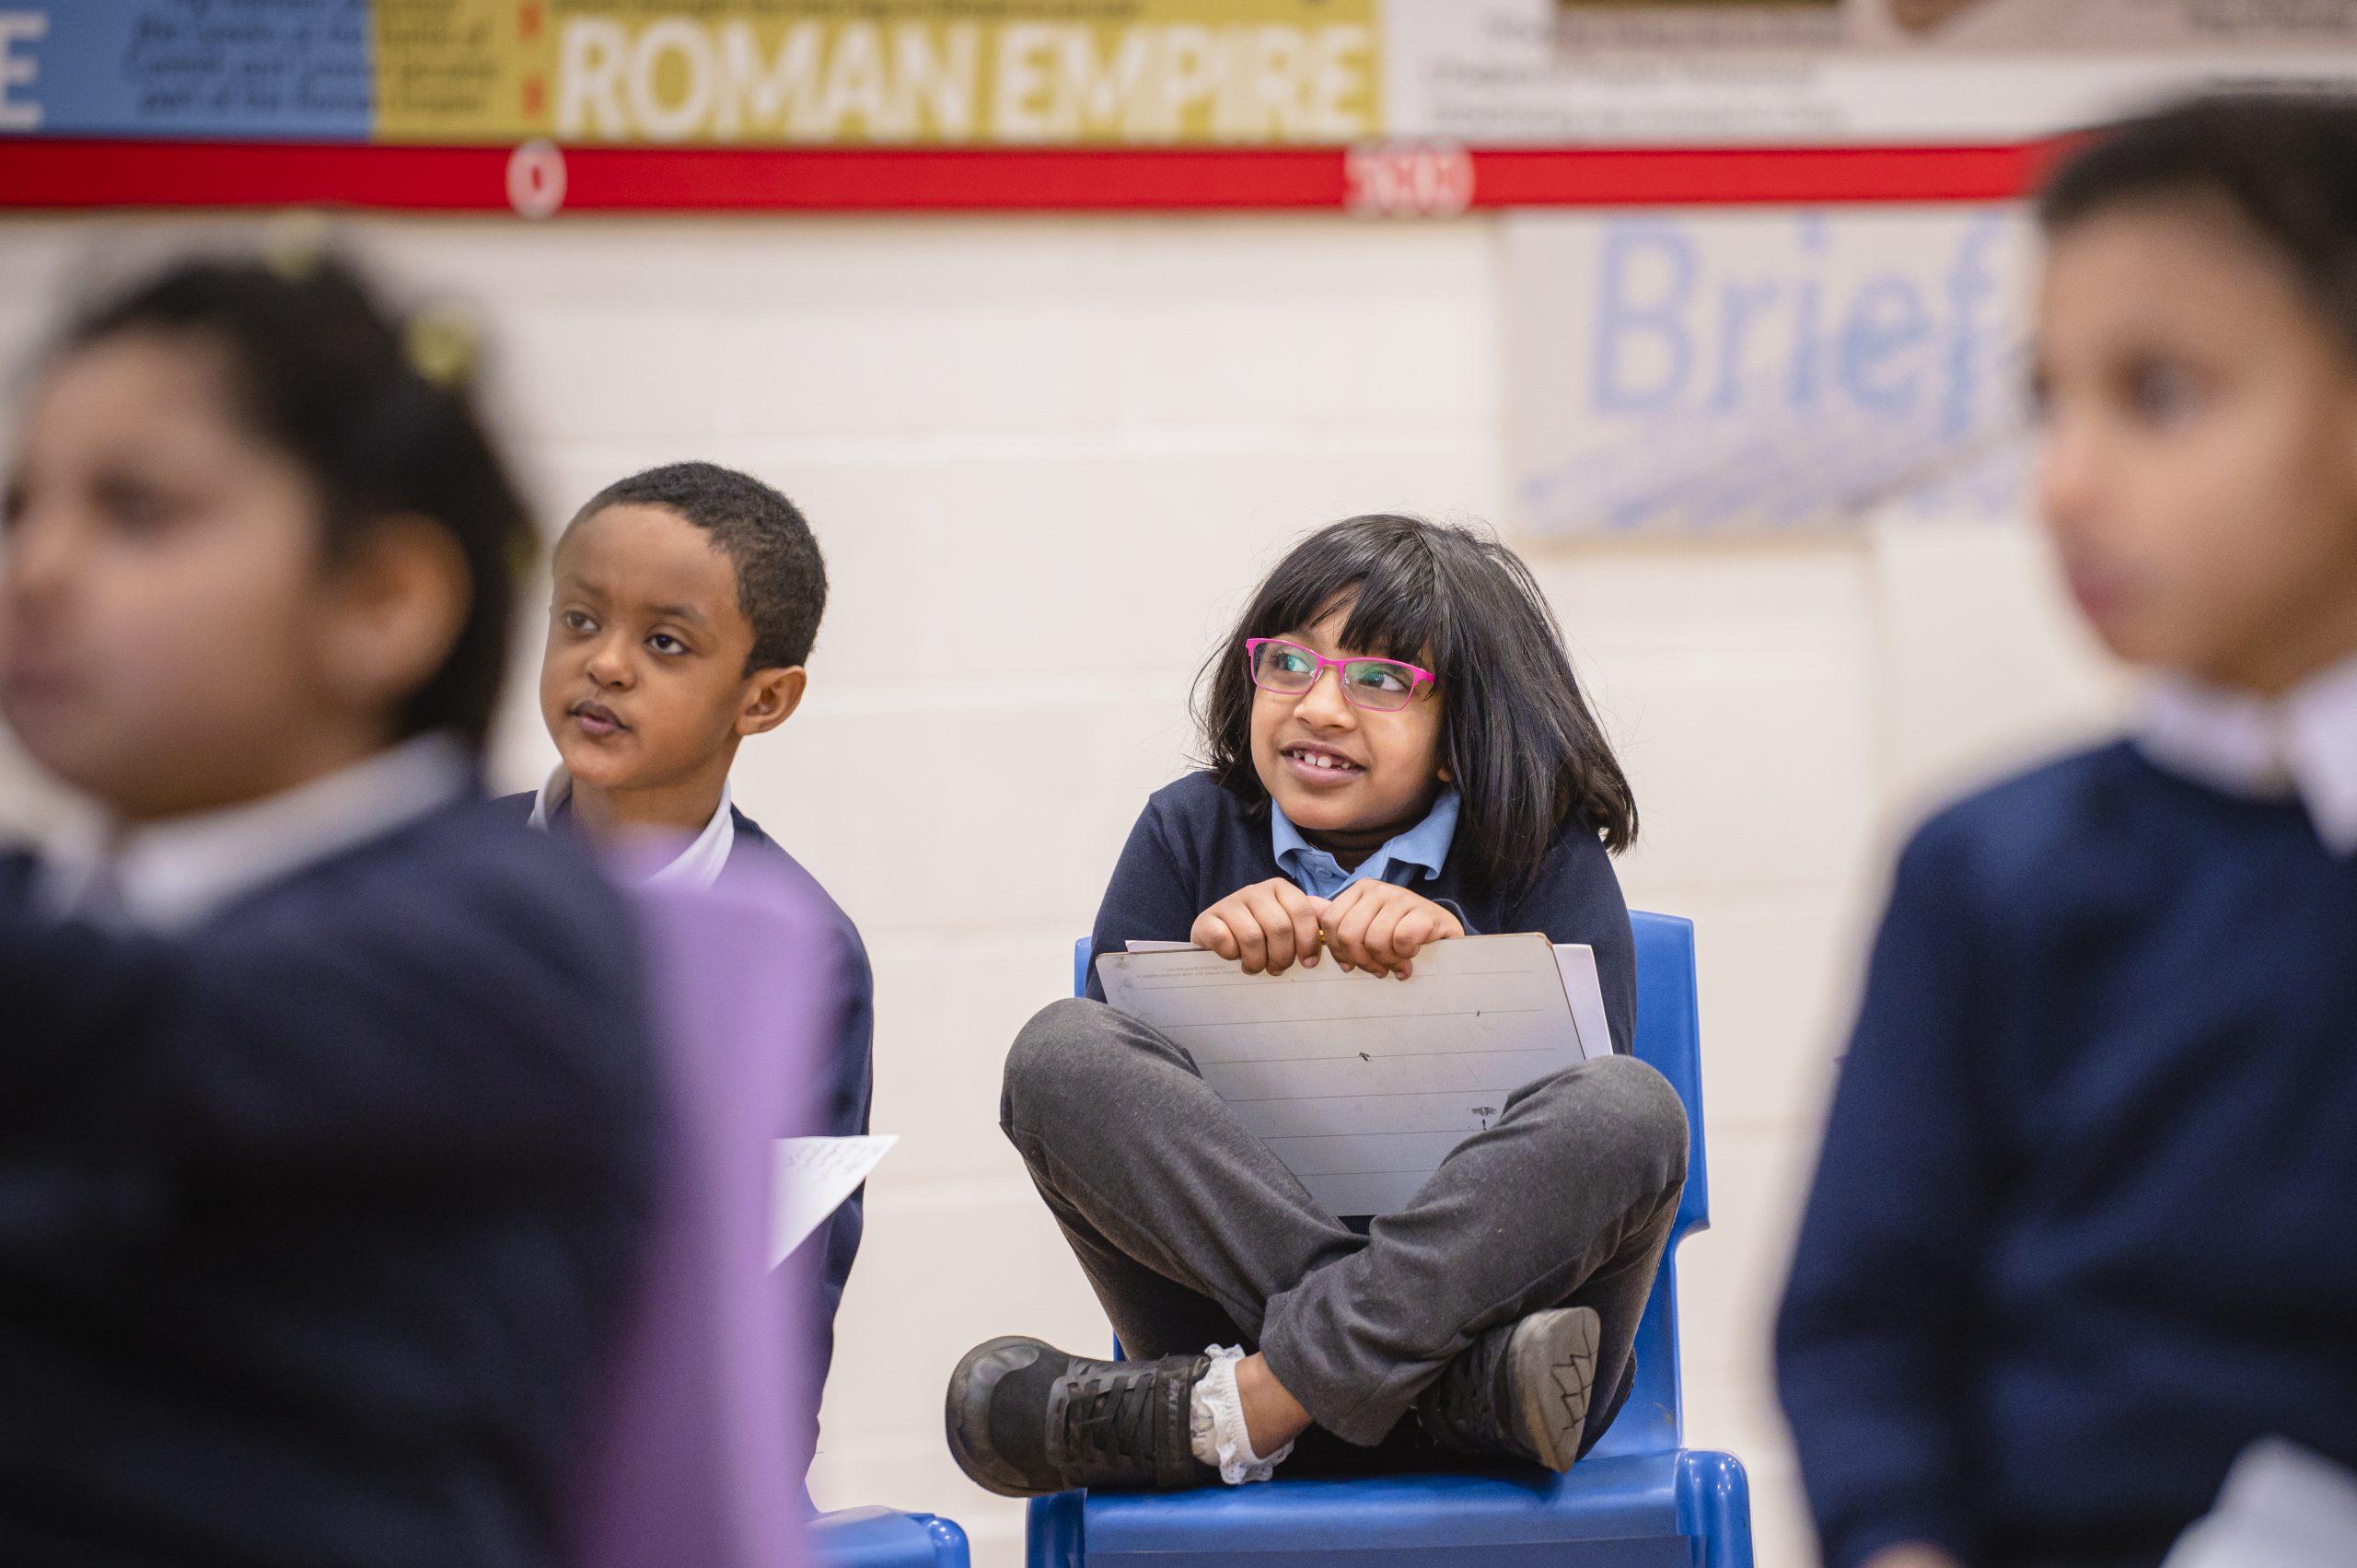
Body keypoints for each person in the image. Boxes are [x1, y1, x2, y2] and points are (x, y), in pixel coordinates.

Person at [0, 251, 660, 1567]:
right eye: (20, 508)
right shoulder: (82, 912)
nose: (38, 568)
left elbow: (127, 1030)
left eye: (136, 510)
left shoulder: (498, 932)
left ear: (381, 600)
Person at [1776, 95, 2357, 1568]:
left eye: (2160, 394)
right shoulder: (1985, 868)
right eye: (2051, 400)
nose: (2066, 483)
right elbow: (1861, 1321)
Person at [944, 513, 1689, 1495]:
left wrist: (1469, 973)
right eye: (1289, 663)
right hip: (1485, 1388)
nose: (1321, 706)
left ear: (1462, 735)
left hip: (1512, 1345)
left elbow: (1578, 1150)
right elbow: (1114, 1134)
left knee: (1629, 1109)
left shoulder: (1543, 853)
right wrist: (1199, 976)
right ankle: (1426, 1387)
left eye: (1383, 680)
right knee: (1058, 1052)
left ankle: (1242, 1409)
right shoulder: (1187, 831)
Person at [500, 459, 872, 1459]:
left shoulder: (804, 948)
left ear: (764, 699)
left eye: (664, 642)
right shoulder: (441, 879)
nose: (606, 664)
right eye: (579, 620)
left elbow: (786, 1292)